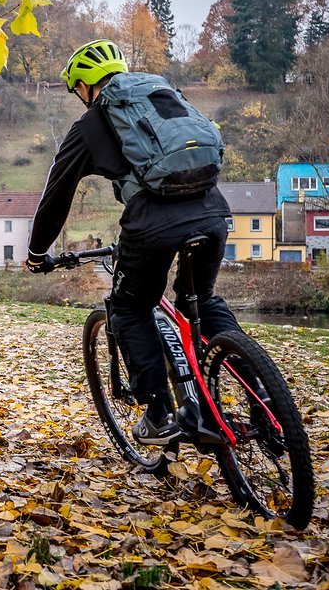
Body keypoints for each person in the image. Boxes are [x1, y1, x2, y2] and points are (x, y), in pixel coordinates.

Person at [24, 39, 241, 445]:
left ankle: (159, 415)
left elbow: (56, 195)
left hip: (152, 223)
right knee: (202, 302)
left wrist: (38, 252)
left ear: (86, 87)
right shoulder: (163, 93)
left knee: (129, 306)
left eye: (78, 93)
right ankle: (262, 389)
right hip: (213, 210)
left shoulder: (90, 125)